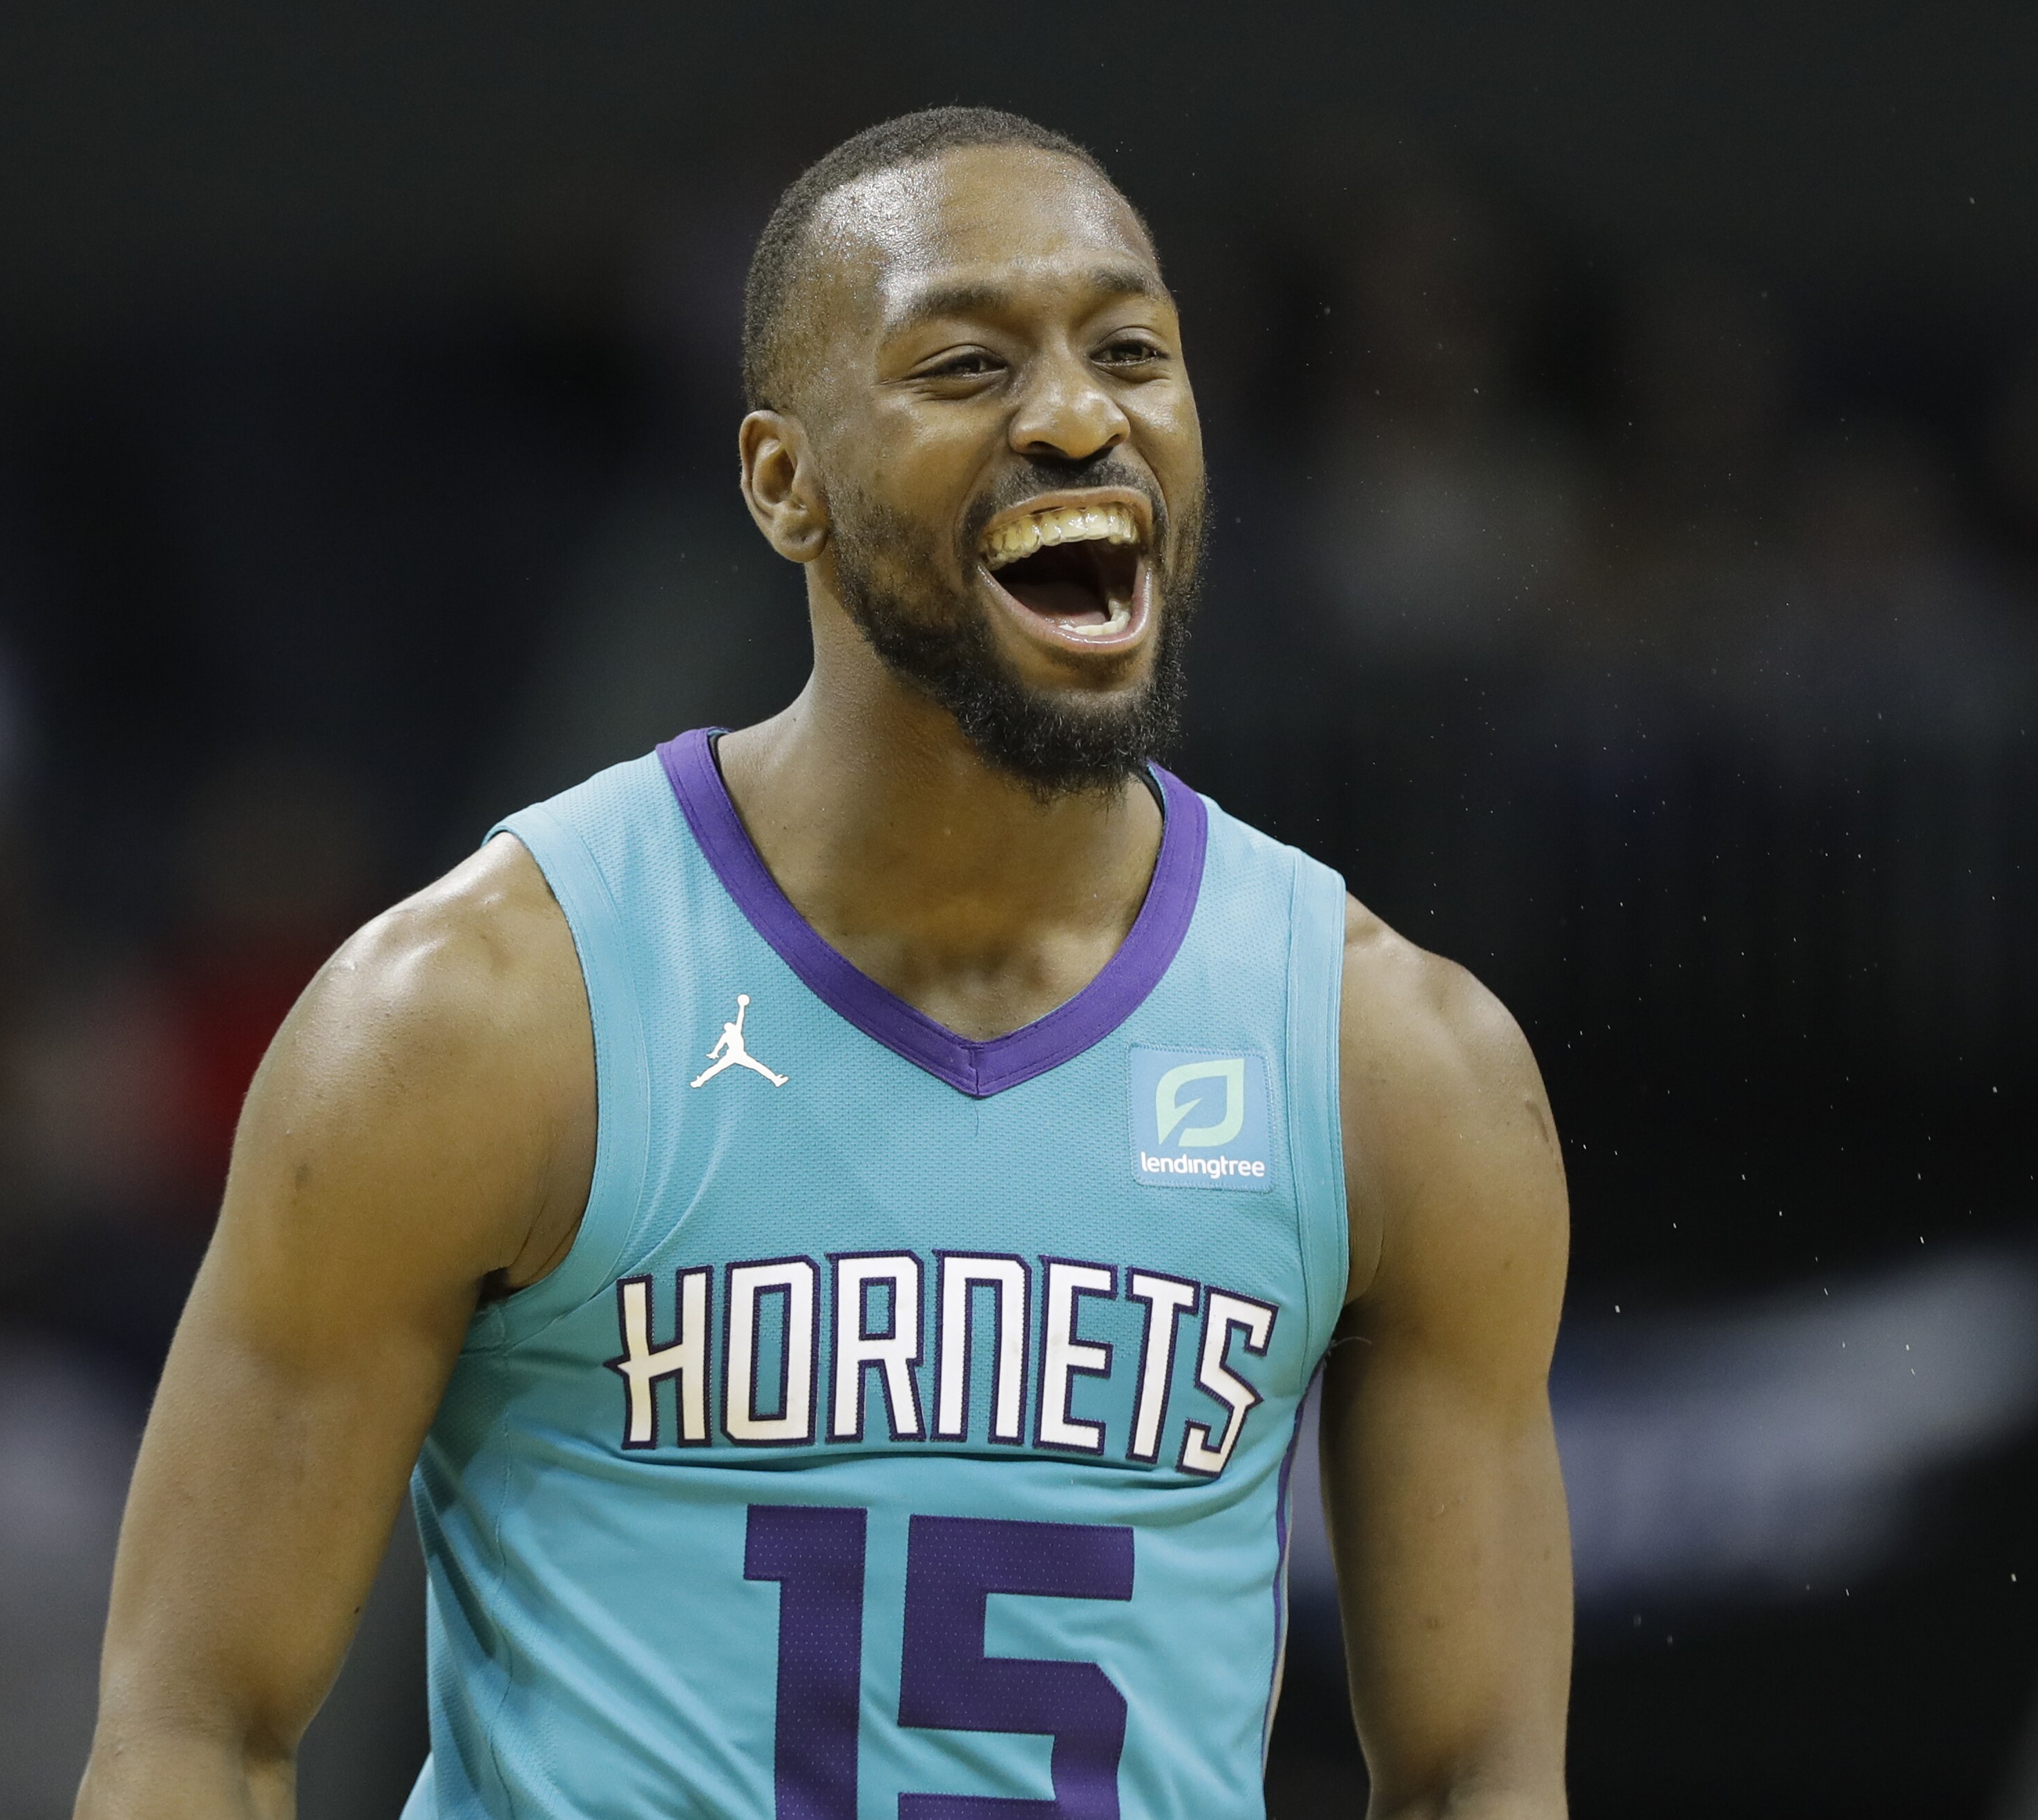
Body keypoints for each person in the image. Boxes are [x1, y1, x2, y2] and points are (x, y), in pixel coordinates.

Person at [77, 108, 1572, 1820]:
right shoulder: (480, 1014)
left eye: (1134, 352)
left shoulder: (1394, 1059)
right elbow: (196, 1725)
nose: (1081, 415)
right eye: (966, 366)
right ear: (786, 483)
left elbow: (1479, 1776)